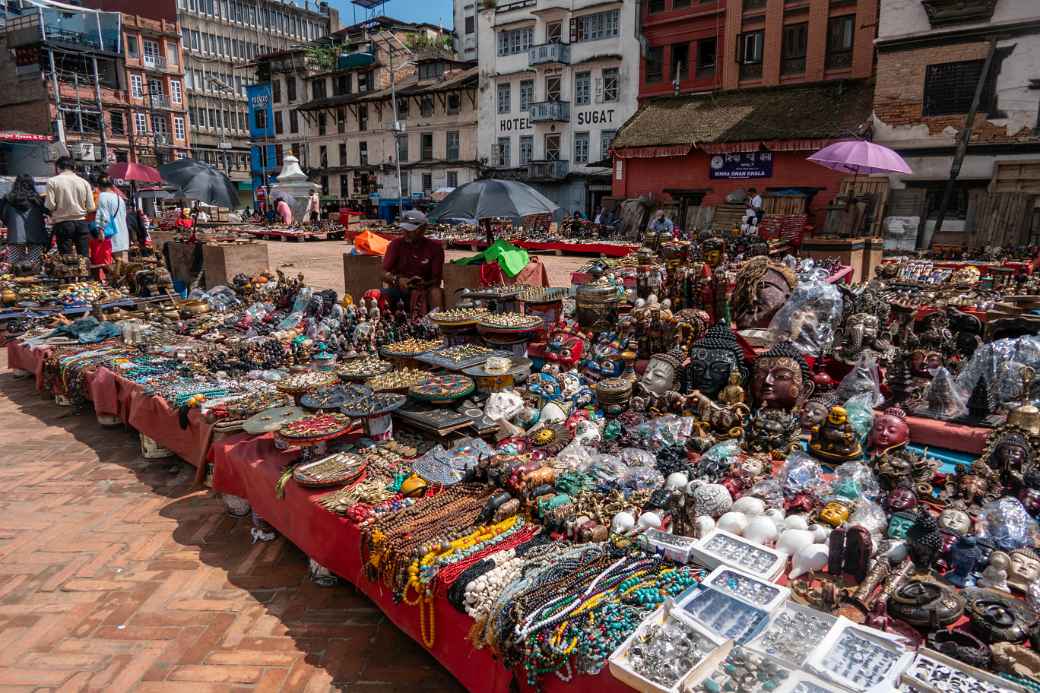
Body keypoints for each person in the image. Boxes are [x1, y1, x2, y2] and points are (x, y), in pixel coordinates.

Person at [381, 209, 444, 314]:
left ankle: (438, 325)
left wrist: (423, 284)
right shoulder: (396, 245)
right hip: (399, 290)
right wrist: (397, 279)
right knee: (375, 294)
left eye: (411, 230)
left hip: (424, 290)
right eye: (404, 229)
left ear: (423, 229)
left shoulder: (435, 249)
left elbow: (436, 281)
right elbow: (382, 273)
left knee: (436, 293)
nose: (406, 233)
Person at [45, 156, 95, 258]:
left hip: (63, 223)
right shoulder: (84, 182)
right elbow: (91, 207)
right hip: (81, 222)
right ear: (74, 167)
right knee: (84, 258)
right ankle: (84, 274)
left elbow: (50, 205)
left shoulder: (52, 181)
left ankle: (70, 274)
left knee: (66, 259)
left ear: (58, 167)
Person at [0, 174, 48, 271]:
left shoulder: (8, 198)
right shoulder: (37, 199)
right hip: (36, 235)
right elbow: (47, 211)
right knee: (34, 265)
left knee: (13, 265)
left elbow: (2, 214)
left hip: (15, 235)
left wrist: (10, 223)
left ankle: (12, 285)